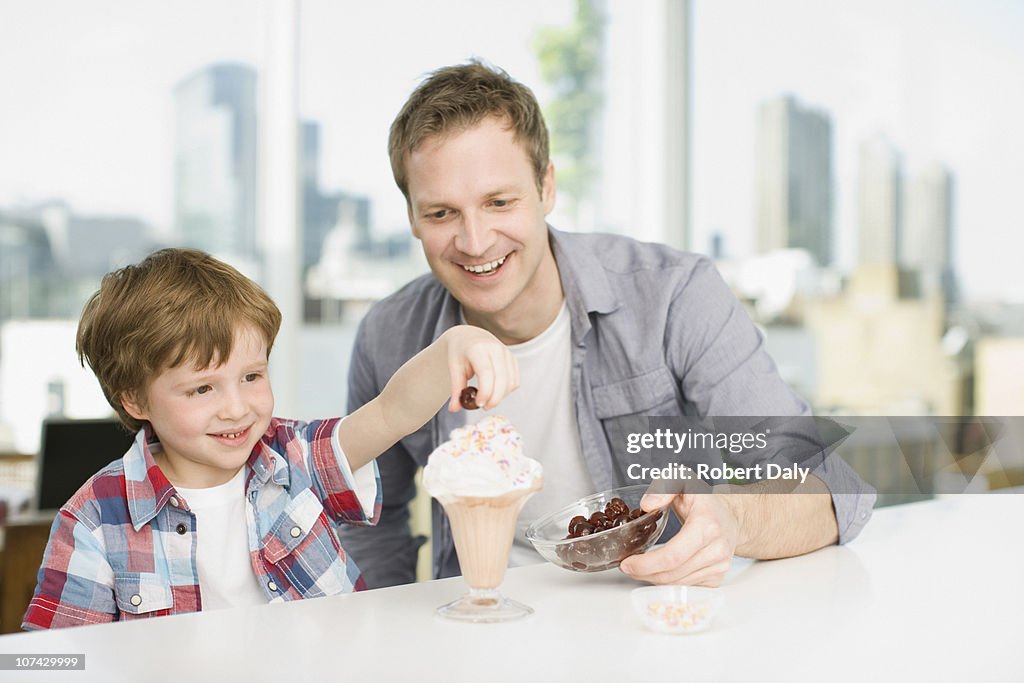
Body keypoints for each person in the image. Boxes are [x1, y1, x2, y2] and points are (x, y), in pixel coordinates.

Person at [340, 60, 876, 589]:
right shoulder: (388, 337)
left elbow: (833, 487)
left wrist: (733, 521)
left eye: (499, 202)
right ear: (412, 216)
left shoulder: (673, 296)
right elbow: (371, 519)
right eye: (441, 214)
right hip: (480, 630)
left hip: (647, 621)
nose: (476, 241)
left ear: (546, 188)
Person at [22, 248, 517, 629]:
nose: (237, 407)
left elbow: (391, 412)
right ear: (134, 399)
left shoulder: (294, 457)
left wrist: (457, 343)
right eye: (202, 387)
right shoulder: (91, 521)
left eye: (252, 376)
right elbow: (54, 659)